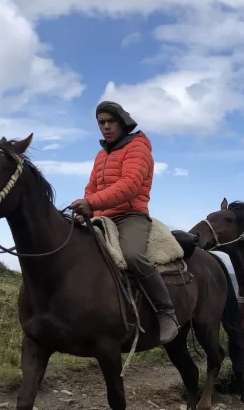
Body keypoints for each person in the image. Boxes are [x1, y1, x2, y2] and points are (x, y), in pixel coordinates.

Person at [70, 101, 179, 344]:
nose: (106, 127)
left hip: (131, 215)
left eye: (111, 121)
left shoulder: (138, 148)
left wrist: (92, 202)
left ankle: (166, 311)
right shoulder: (101, 154)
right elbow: (92, 187)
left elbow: (130, 185)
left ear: (122, 122)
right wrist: (85, 208)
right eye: (101, 122)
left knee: (132, 256)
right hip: (101, 215)